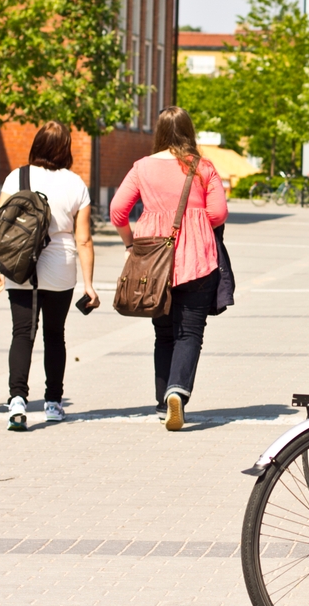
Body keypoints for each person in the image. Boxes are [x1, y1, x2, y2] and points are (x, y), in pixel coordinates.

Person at [110, 106, 228, 431]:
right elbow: (218, 213)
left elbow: (118, 211)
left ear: (159, 132)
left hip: (153, 262)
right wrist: (194, 217)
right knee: (189, 332)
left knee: (162, 333)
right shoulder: (203, 167)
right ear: (189, 131)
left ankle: (164, 402)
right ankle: (179, 390)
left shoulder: (141, 168)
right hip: (197, 260)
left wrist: (131, 244)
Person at [2, 122, 99, 430]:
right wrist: (89, 284)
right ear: (65, 149)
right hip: (60, 268)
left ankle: (17, 400)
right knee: (54, 335)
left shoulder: (17, 176)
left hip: (21, 267)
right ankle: (54, 403)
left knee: (22, 333)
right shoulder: (75, 184)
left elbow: (0, 229)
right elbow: (84, 239)